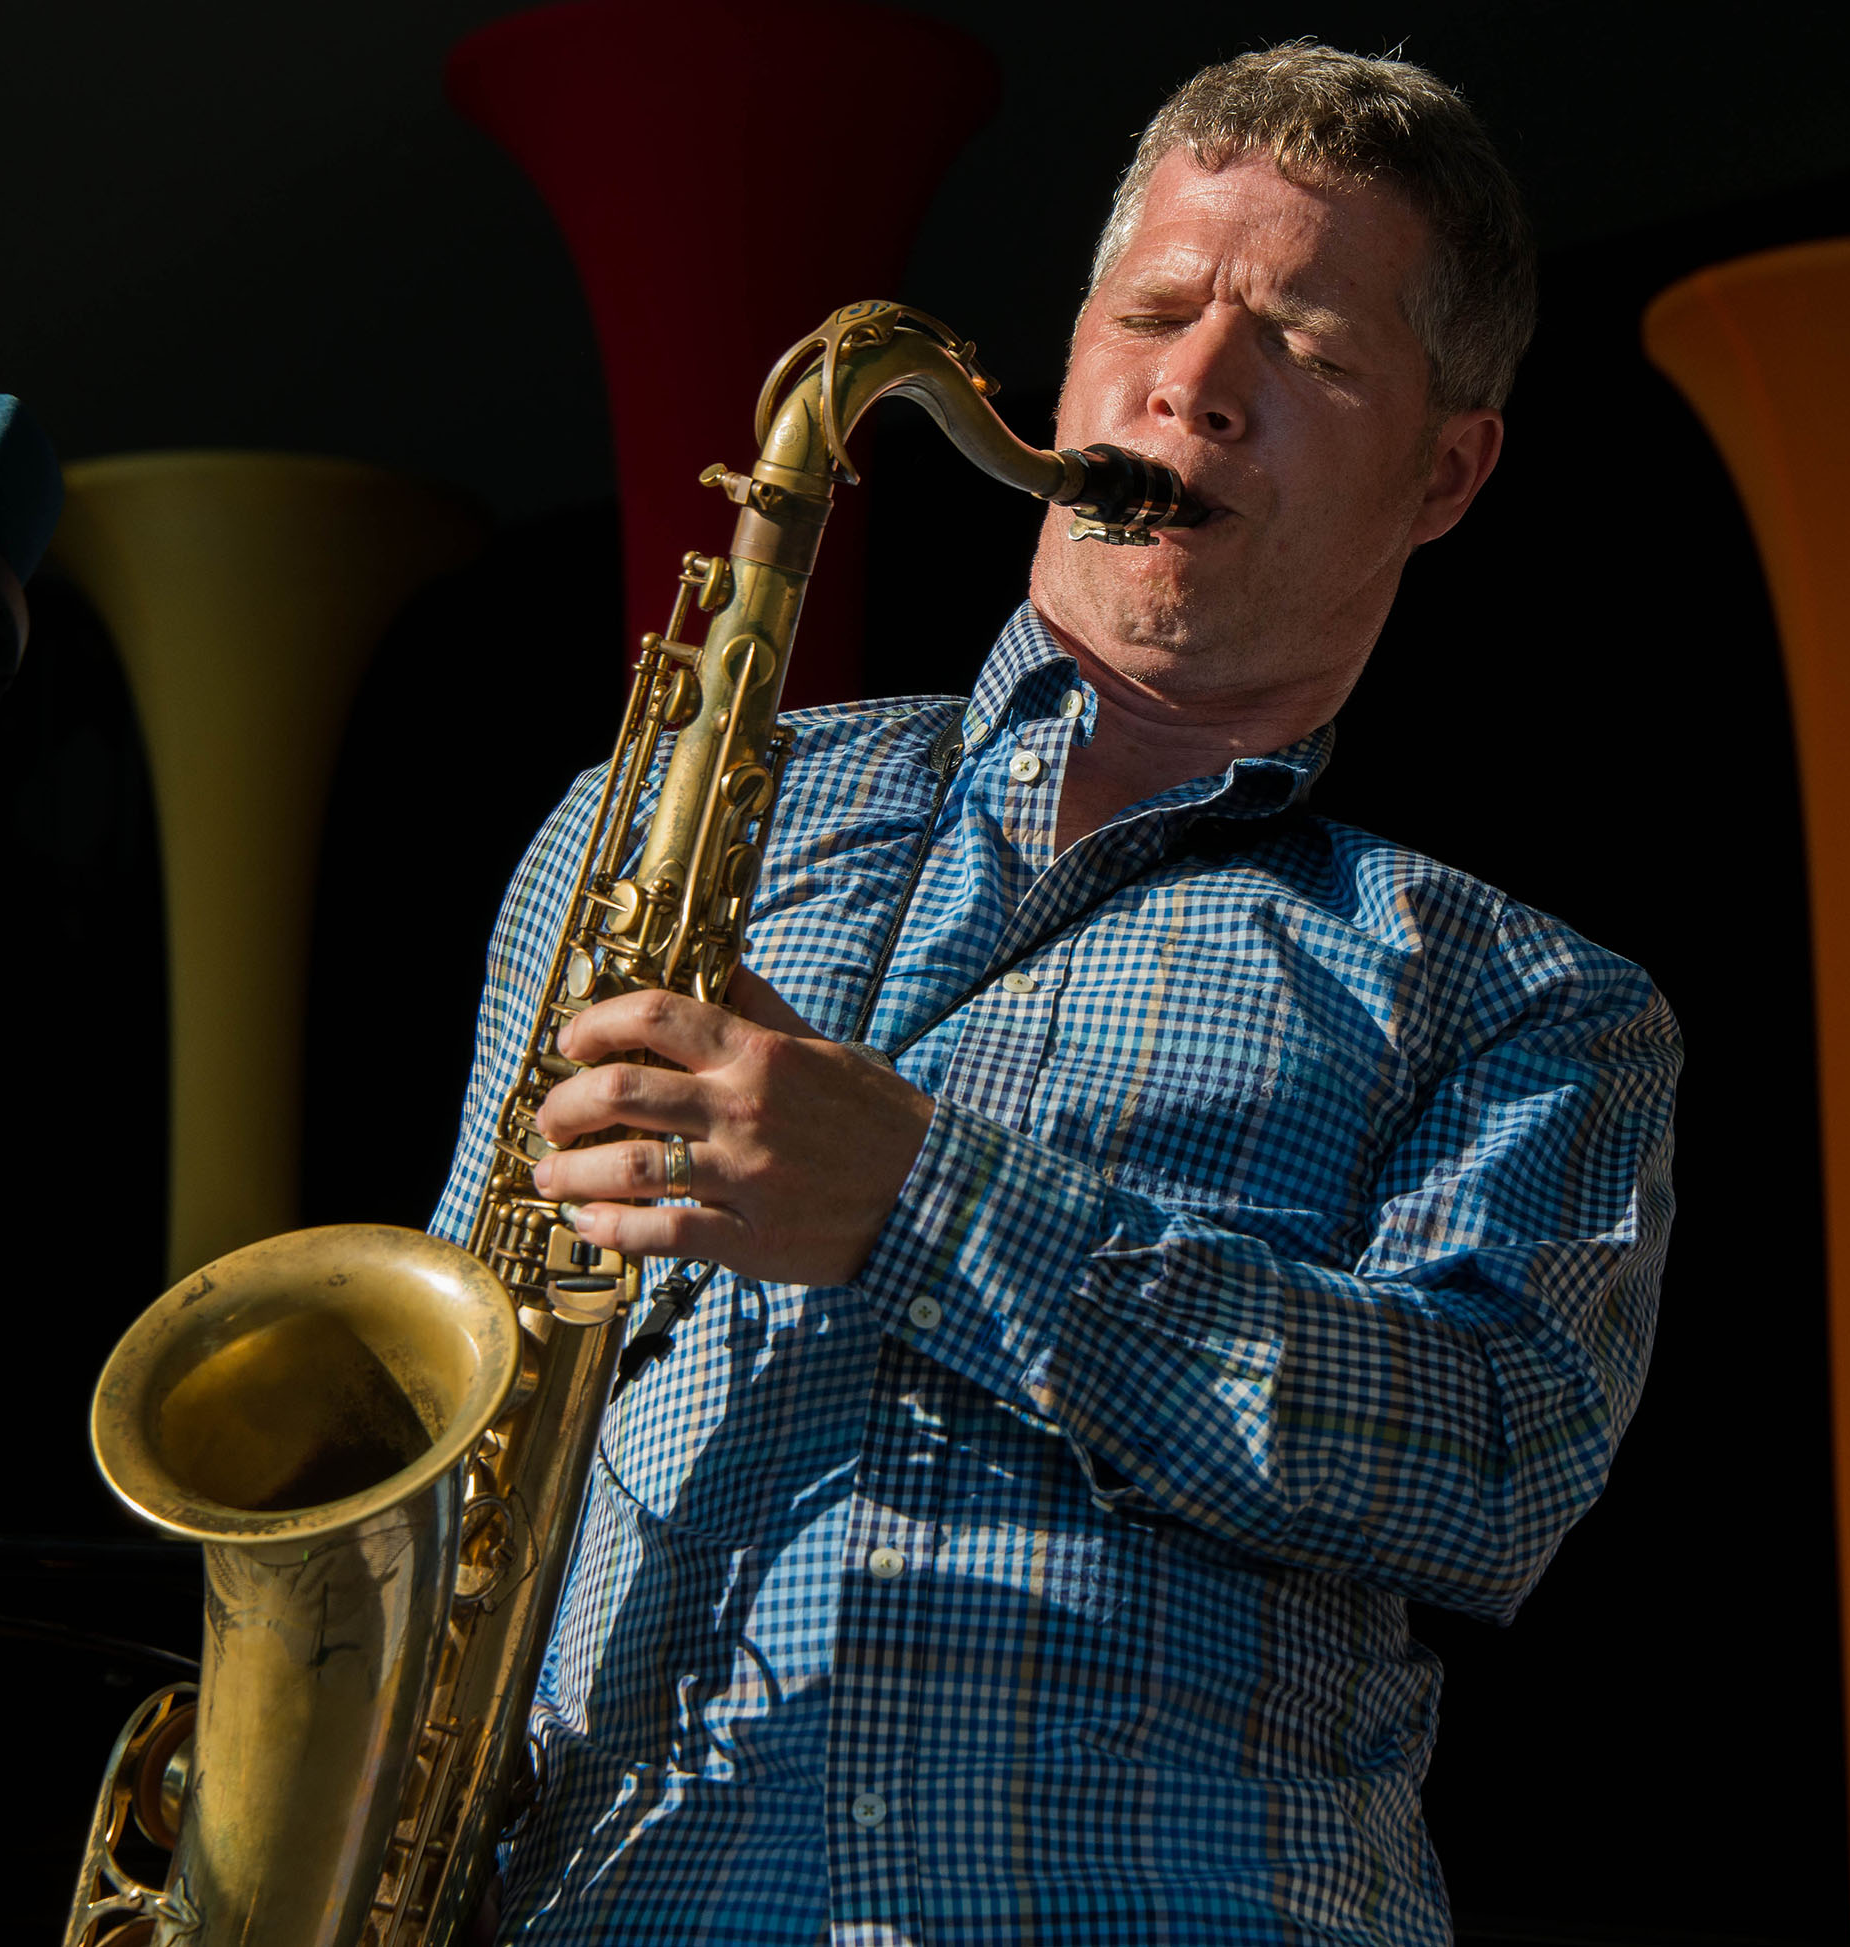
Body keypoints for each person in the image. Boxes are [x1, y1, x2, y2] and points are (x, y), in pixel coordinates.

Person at [432, 40, 1681, 1946]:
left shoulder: (1527, 999)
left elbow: (1487, 1463)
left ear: (1448, 469)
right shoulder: (650, 823)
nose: (1196, 384)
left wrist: (916, 1202)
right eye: (1157, 313)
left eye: (1310, 351)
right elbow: (438, 1404)